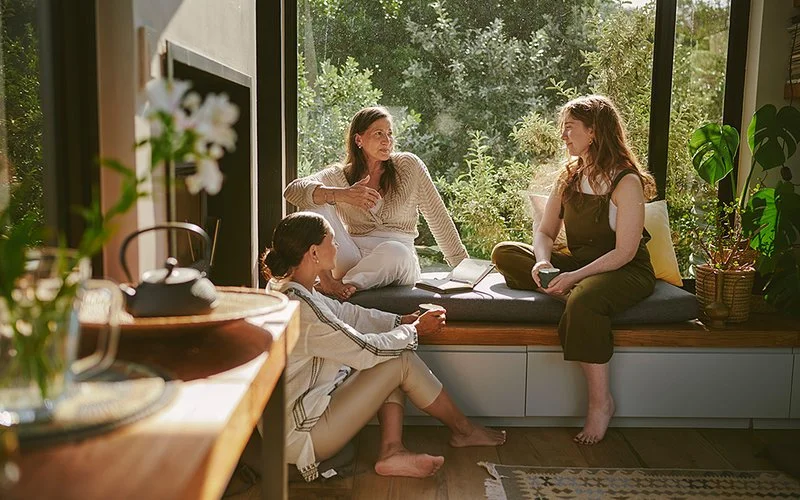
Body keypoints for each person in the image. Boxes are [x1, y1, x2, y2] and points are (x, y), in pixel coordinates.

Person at [261, 211, 505, 482]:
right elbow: (369, 351)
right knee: (396, 358)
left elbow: (346, 314)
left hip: (293, 416)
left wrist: (400, 320)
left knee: (393, 352)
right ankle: (463, 430)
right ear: (314, 252)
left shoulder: (290, 289)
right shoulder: (302, 310)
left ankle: (393, 452)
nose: (337, 246)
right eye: (332, 240)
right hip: (299, 435)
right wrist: (413, 330)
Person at [492, 95, 657, 445]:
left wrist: (574, 278)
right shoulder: (568, 176)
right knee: (505, 253)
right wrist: (542, 262)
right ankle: (568, 291)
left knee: (583, 300)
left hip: (624, 270)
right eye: (563, 128)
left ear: (594, 132)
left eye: (570, 129)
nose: (563, 136)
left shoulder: (626, 182)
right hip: (581, 265)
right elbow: (545, 232)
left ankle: (601, 404)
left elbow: (625, 252)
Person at [283, 106, 468, 300]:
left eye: (389, 134)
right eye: (378, 133)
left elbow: (438, 216)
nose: (387, 140)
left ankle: (341, 287)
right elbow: (293, 191)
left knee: (395, 251)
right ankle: (328, 281)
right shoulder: (339, 175)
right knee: (315, 200)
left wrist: (462, 266)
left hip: (397, 260)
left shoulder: (408, 165)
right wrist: (342, 195)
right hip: (352, 256)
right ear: (358, 140)